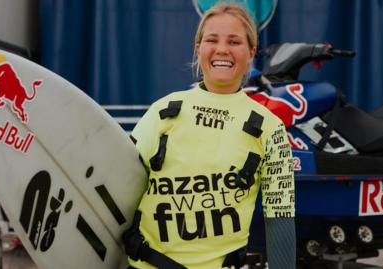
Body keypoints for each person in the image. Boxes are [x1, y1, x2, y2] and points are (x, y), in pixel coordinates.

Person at [123, 2, 295, 269]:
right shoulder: (163, 112)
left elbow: (280, 219)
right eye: (212, 39)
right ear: (198, 48)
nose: (222, 49)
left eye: (234, 41)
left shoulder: (271, 128)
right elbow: (116, 189)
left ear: (251, 53)